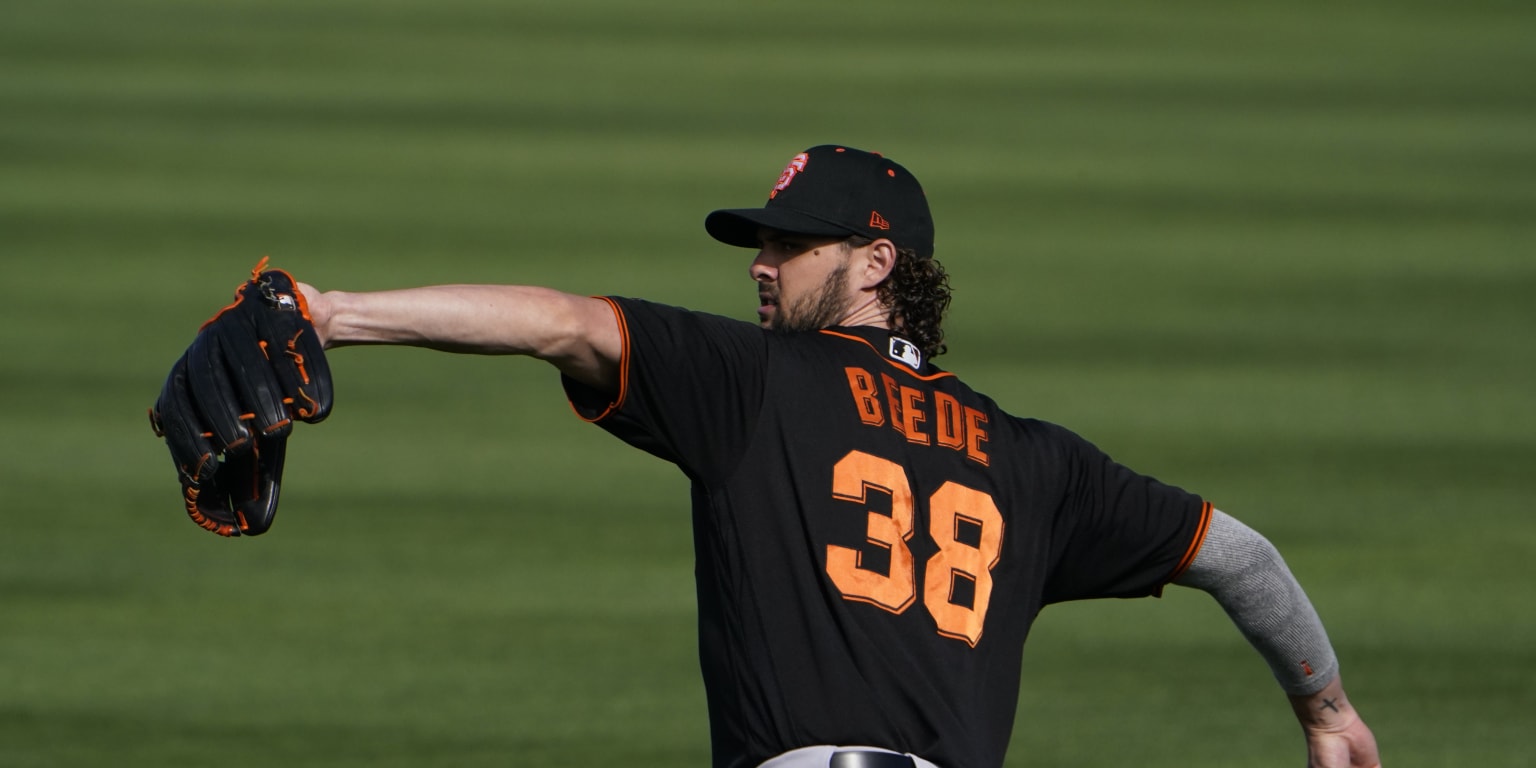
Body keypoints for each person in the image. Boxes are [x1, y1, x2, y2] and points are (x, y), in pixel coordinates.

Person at [294, 145, 1381, 768]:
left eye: (788, 244)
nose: (761, 266)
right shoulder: (1039, 464)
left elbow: (558, 324)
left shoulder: (755, 385)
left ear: (875, 261)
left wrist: (333, 312)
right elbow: (1241, 557)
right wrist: (1326, 711)